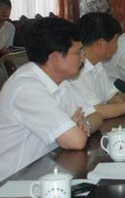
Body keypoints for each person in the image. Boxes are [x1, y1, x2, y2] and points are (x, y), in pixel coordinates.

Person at [0, 17, 102, 181]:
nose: (83, 58)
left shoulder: (60, 81)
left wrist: (84, 125)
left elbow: (96, 116)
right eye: (78, 52)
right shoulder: (27, 88)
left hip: (49, 171)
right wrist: (75, 129)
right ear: (55, 57)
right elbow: (76, 141)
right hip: (15, 184)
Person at [69, 13, 125, 119]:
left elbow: (112, 97)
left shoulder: (98, 65)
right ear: (101, 44)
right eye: (116, 41)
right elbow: (96, 111)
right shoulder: (75, 71)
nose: (117, 46)